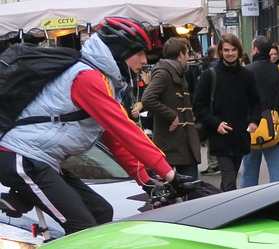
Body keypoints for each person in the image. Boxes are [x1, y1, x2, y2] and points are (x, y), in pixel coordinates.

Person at [0, 17, 176, 237]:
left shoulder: (105, 81)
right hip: (19, 156)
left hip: (40, 159)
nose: (144, 60)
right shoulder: (86, 77)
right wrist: (171, 175)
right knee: (81, 227)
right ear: (120, 51)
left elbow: (113, 138)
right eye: (139, 53)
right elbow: (125, 130)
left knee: (101, 212)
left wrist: (145, 180)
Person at [193, 34, 261, 191]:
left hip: (240, 136)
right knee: (230, 180)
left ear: (239, 51)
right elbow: (198, 106)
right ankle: (231, 210)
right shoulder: (209, 75)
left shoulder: (247, 76)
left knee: (229, 179)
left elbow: (256, 102)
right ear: (220, 52)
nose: (230, 53)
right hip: (219, 137)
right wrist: (215, 123)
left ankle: (222, 204)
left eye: (233, 50)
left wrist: (254, 121)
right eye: (226, 50)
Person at [141, 37, 202, 180]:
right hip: (169, 144)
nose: (188, 57)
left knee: (190, 191)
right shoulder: (164, 73)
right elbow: (147, 98)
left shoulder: (177, 71)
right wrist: (172, 115)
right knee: (172, 193)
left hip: (183, 145)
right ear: (181, 54)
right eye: (187, 53)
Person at [241, 36, 279, 187]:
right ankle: (276, 203)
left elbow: (241, 100)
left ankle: (249, 205)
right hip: (274, 126)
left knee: (249, 172)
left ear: (255, 50)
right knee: (276, 173)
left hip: (251, 127)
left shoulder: (246, 72)